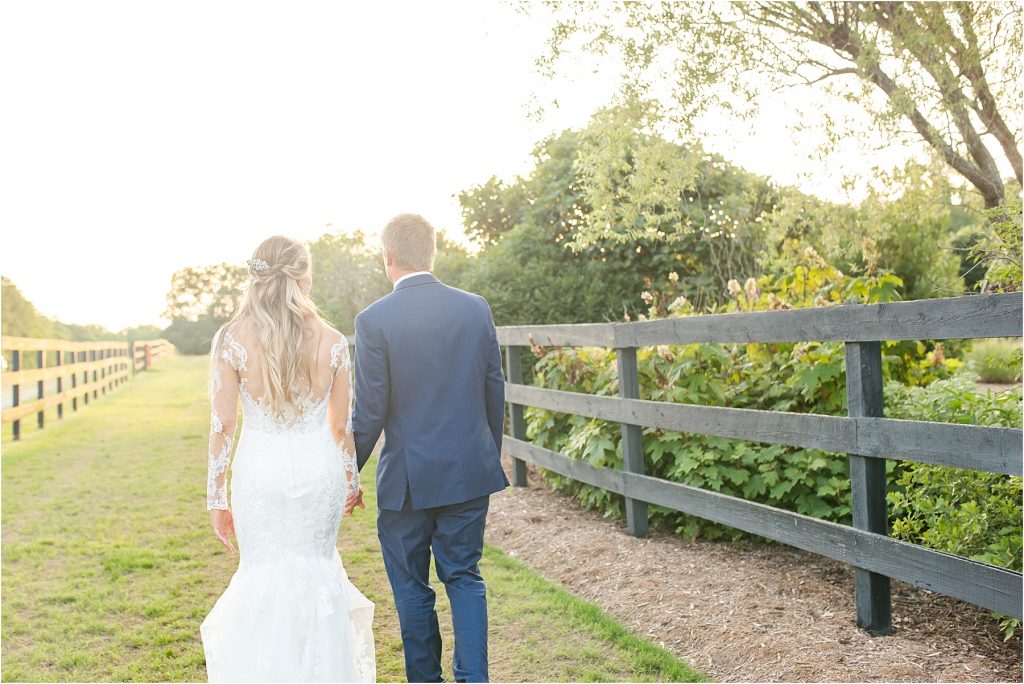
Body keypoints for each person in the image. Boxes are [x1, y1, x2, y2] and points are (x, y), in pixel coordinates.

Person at [199, 235, 375, 682]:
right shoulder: (333, 340)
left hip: (259, 473)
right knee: (318, 575)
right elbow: (341, 428)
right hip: (318, 474)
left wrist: (216, 498)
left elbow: (223, 426)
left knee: (263, 574)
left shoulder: (230, 339)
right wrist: (352, 483)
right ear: (301, 276)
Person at [348, 213, 509, 683]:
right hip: (467, 472)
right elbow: (493, 388)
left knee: (411, 587)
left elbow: (370, 414)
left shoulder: (373, 320)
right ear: (432, 253)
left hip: (407, 484)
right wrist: (483, 455)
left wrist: (348, 473)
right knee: (464, 578)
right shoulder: (474, 307)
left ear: (388, 257)